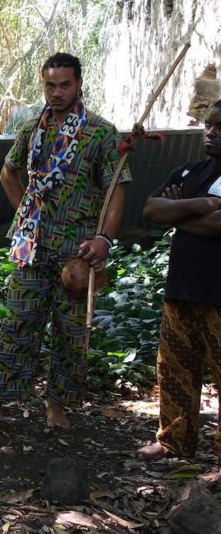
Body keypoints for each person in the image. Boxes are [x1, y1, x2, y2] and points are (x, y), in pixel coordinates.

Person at [0, 52, 131, 429]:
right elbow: (8, 173)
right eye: (50, 85)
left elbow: (117, 186)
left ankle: (58, 405)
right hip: (32, 246)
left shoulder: (100, 133)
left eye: (65, 84)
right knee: (18, 321)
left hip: (78, 249)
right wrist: (27, 215)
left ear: (79, 84)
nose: (57, 92)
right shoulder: (32, 129)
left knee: (70, 331)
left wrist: (104, 239)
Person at [136, 99, 221, 478]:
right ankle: (175, 440)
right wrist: (201, 205)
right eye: (208, 124)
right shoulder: (190, 170)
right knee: (175, 370)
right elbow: (151, 211)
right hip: (182, 290)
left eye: (220, 126)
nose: (211, 132)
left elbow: (218, 226)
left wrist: (179, 213)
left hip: (218, 296)